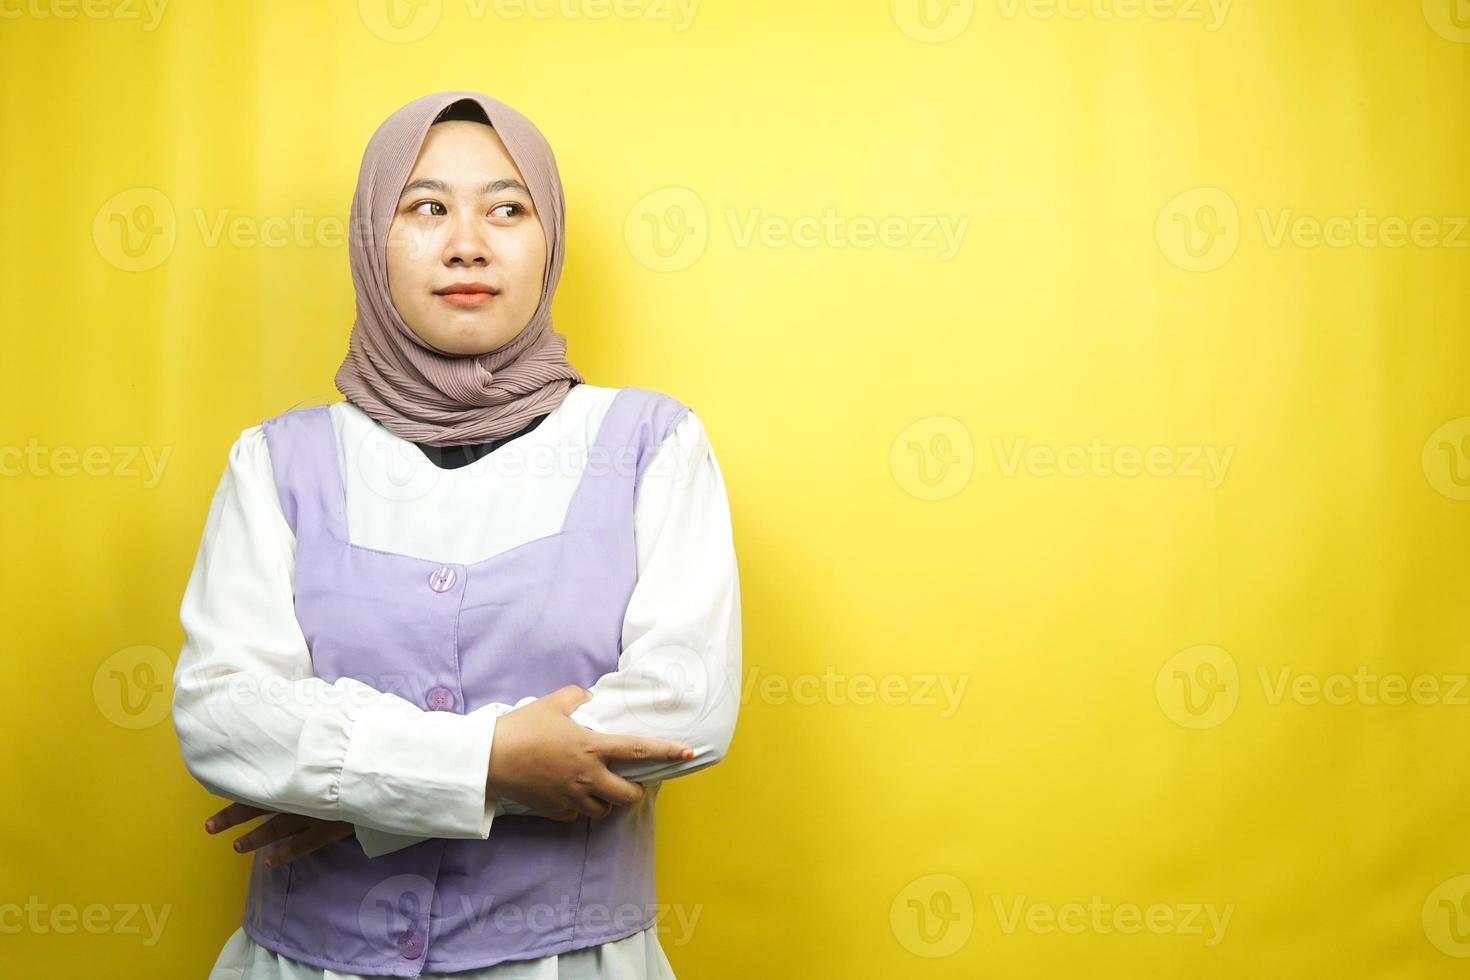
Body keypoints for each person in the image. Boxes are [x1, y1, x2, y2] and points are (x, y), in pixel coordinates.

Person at [170, 90, 742, 979]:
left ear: (548, 240)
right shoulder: (277, 462)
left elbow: (686, 710)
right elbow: (222, 718)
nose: (467, 243)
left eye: (507, 209)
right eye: (425, 207)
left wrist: (367, 797)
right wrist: (493, 764)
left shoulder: (651, 444)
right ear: (371, 238)